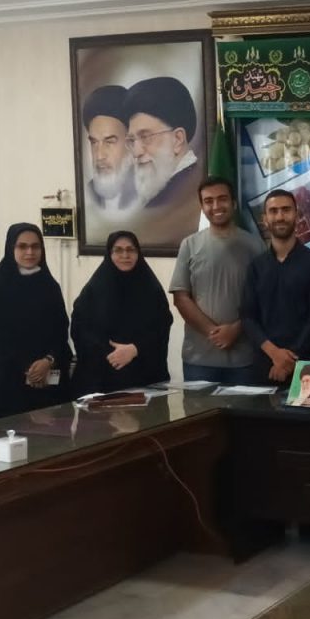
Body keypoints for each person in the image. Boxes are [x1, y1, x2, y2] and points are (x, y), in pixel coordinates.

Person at [170, 177, 265, 384]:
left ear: (234, 203)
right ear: (202, 207)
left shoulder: (255, 246)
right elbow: (181, 297)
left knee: (245, 407)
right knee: (198, 407)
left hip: (244, 360)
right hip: (199, 360)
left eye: (222, 199)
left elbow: (264, 298)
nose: (216, 206)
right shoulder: (189, 245)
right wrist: (213, 333)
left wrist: (236, 329)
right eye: (208, 201)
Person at [0, 224, 72, 420]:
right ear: (11, 248)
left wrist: (48, 360)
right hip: (8, 387)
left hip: (48, 381)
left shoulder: (50, 286)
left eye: (35, 246)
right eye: (22, 246)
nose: (30, 252)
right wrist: (29, 370)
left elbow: (61, 329)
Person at [241, 189, 310, 384]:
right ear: (265, 219)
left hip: (307, 366)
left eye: (286, 210)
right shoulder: (255, 267)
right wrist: (275, 354)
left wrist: (288, 361)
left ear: (296, 215)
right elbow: (248, 317)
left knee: (305, 406)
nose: (280, 216)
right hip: (265, 364)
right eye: (273, 211)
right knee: (262, 405)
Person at [71, 231, 173, 397]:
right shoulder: (94, 290)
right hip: (102, 379)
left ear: (138, 253)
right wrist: (112, 355)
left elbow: (161, 328)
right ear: (109, 254)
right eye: (118, 250)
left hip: (144, 377)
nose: (125, 255)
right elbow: (80, 330)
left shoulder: (151, 289)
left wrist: (135, 349)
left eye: (130, 250)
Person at [122, 76, 203, 247]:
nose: (136, 152)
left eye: (146, 137)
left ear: (178, 139)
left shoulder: (190, 196)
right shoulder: (163, 194)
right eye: (132, 140)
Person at [82, 85, 136, 213]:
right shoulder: (87, 194)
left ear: (131, 143)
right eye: (94, 142)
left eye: (109, 142)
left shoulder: (152, 194)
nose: (99, 156)